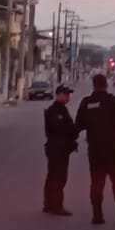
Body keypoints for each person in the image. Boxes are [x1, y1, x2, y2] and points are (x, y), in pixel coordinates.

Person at [74, 73, 115, 225]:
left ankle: (97, 215)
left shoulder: (87, 102)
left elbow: (79, 125)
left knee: (96, 181)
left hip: (95, 150)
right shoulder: (113, 101)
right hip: (114, 149)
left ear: (93, 85)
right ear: (106, 84)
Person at [42, 85, 78, 216]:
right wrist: (73, 132)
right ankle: (56, 206)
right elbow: (61, 129)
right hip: (58, 148)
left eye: (69, 94)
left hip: (57, 147)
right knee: (59, 177)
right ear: (59, 95)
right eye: (66, 94)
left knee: (52, 175)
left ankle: (48, 203)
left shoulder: (61, 109)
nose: (68, 97)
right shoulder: (57, 111)